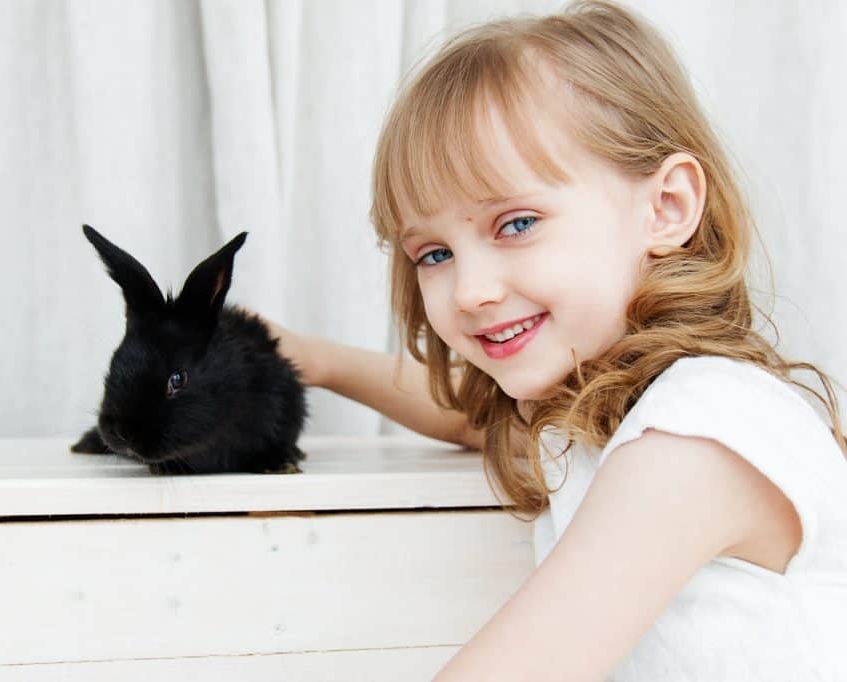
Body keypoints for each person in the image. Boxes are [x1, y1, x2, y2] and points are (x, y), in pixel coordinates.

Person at [259, 1, 847, 679]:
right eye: (433, 254)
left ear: (666, 208)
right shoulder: (601, 415)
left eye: (516, 224)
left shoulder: (700, 435)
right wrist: (318, 361)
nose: (471, 290)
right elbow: (465, 415)